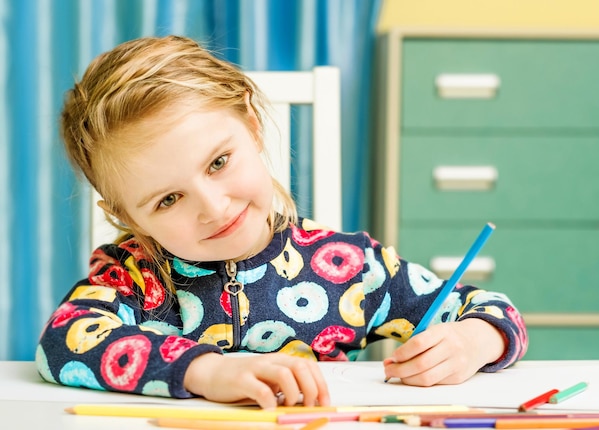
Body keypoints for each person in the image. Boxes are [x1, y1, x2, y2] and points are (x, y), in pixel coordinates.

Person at [37, 35, 528, 410]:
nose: (212, 206)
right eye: (168, 199)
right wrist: (203, 372)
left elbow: (492, 310)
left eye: (217, 163)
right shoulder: (132, 276)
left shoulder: (351, 266)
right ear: (126, 216)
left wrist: (471, 342)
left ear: (252, 127)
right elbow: (62, 341)